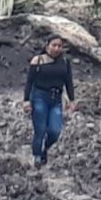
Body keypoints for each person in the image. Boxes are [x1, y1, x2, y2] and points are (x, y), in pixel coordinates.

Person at [23, 35, 76, 168]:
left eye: (59, 46)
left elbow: (68, 82)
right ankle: (36, 157)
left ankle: (44, 149)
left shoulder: (65, 62)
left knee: (55, 131)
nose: (57, 48)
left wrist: (72, 100)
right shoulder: (38, 60)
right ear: (47, 46)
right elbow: (29, 82)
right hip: (40, 97)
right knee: (39, 130)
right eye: (54, 45)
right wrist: (26, 100)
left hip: (56, 99)